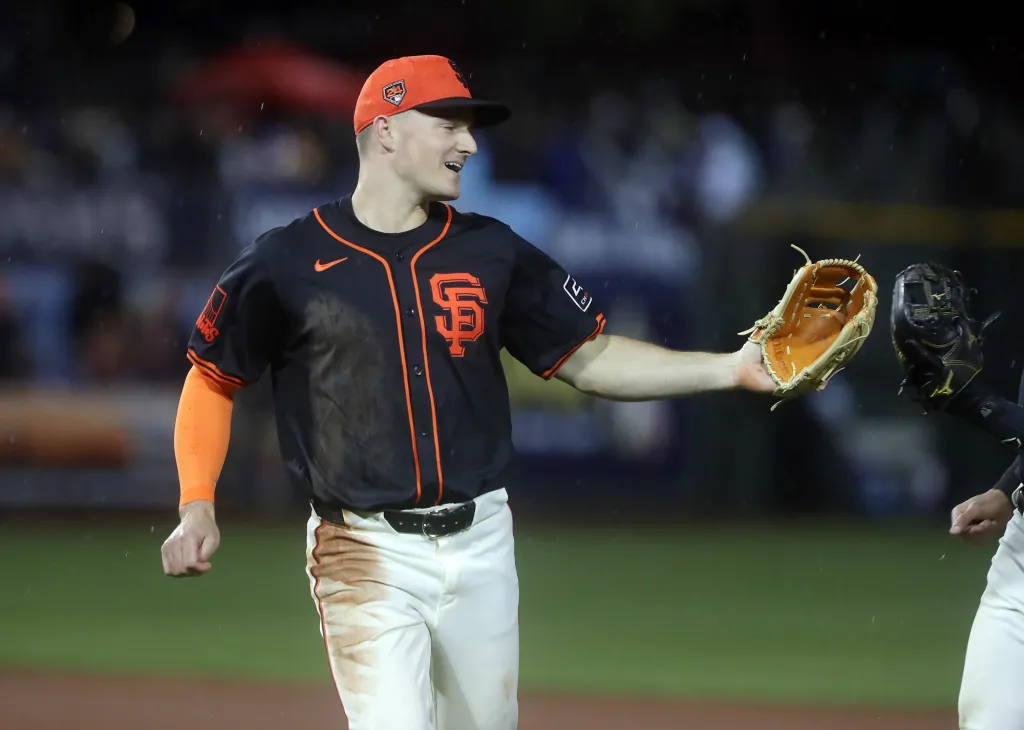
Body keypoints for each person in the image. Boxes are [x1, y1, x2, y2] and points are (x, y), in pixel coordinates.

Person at [160, 54, 776, 730]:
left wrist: (732, 368)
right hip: (362, 550)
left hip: (482, 542)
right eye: (448, 123)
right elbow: (212, 376)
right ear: (386, 130)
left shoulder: (491, 251)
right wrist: (197, 505)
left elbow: (591, 357)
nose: (469, 143)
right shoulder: (287, 259)